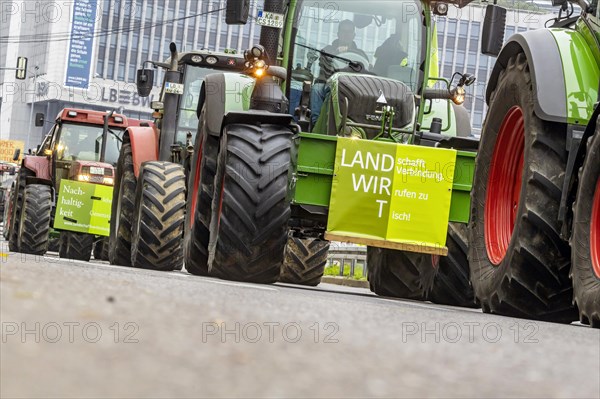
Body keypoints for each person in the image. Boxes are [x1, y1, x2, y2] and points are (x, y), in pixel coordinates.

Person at [311, 19, 369, 126]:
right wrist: (336, 52)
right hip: (330, 84)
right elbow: (324, 67)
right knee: (316, 89)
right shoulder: (327, 50)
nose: (346, 35)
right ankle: (317, 124)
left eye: (349, 32)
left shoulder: (361, 54)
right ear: (338, 34)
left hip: (355, 87)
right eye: (343, 31)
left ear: (353, 35)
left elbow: (365, 71)